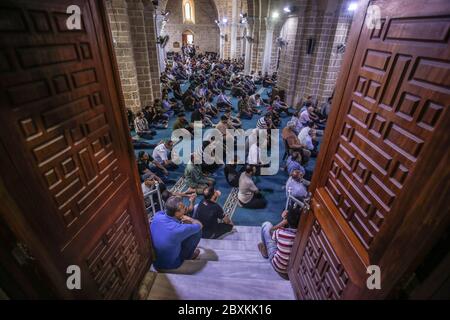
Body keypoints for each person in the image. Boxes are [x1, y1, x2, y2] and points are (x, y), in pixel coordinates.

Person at [150, 196, 203, 270]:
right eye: (183, 207)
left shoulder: (157, 216)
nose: (185, 208)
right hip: (172, 264)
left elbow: (162, 213)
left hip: (155, 262)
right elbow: (199, 225)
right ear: (177, 213)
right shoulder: (178, 229)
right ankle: (189, 256)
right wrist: (189, 219)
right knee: (197, 232)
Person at [258, 205, 300, 276]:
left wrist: (283, 221)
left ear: (287, 220)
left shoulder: (280, 232)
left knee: (266, 225)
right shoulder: (302, 234)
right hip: (291, 269)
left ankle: (265, 253)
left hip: (277, 266)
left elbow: (271, 231)